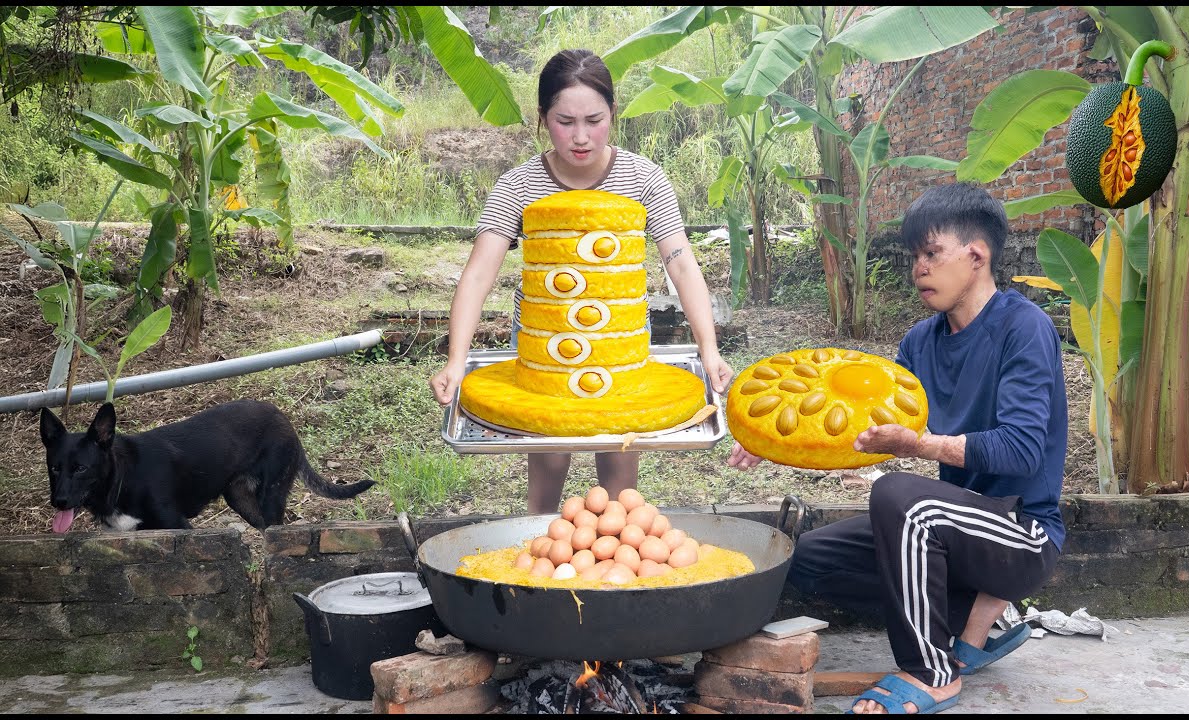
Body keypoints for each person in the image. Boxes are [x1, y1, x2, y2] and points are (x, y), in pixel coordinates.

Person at [728, 182, 1067, 714]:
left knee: (900, 498)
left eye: (931, 254)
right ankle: (968, 614)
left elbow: (1022, 451)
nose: (918, 268)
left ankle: (933, 672)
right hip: (953, 526)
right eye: (915, 256)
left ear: (976, 257)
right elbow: (863, 434)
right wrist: (774, 444)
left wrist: (922, 446)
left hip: (1022, 532)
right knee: (807, 557)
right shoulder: (919, 343)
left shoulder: (1025, 328)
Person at [430, 49, 733, 515]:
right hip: (547, 350)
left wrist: (709, 350)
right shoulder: (519, 186)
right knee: (548, 463)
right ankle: (542, 547)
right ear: (542, 118)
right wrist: (456, 359)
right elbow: (478, 274)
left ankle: (613, 564)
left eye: (594, 119)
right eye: (564, 121)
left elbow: (681, 264)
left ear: (613, 112)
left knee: (618, 471)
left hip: (619, 348)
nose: (580, 136)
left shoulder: (643, 178)